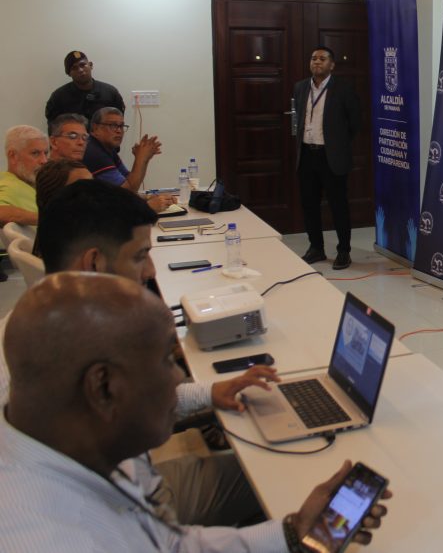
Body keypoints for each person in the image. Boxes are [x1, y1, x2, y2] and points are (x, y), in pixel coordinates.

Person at [0, 272, 390, 550]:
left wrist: (296, 530)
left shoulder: (69, 447)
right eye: (166, 362)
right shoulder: (52, 537)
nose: (178, 379)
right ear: (103, 387)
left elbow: (169, 543)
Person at [0, 179, 265, 526]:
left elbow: (132, 396)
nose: (151, 271)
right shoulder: (57, 358)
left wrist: (211, 392)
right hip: (134, 510)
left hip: (136, 488)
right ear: (94, 262)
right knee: (272, 478)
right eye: (140, 256)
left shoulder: (43, 324)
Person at [293, 45, 361, 271]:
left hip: (331, 156)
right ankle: (316, 247)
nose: (317, 62)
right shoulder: (301, 87)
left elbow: (355, 122)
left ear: (332, 65)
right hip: (306, 154)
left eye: (322, 59)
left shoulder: (343, 88)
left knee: (338, 205)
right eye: (313, 58)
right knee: (309, 204)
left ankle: (344, 251)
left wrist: (338, 143)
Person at [83, 107, 162, 192]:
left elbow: (128, 178)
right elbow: (125, 192)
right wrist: (140, 159)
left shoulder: (106, 147)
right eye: (113, 125)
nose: (119, 131)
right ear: (95, 128)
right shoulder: (94, 152)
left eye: (121, 126)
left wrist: (144, 159)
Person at [44, 50, 125, 125]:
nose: (80, 70)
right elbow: (54, 128)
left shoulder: (110, 93)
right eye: (74, 68)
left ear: (90, 65)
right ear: (69, 73)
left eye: (83, 65)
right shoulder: (58, 97)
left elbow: (118, 123)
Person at [0, 125, 48, 226]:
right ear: (13, 156)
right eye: (35, 153)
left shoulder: (33, 183)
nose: (44, 160)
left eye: (46, 153)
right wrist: (49, 220)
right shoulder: (8, 186)